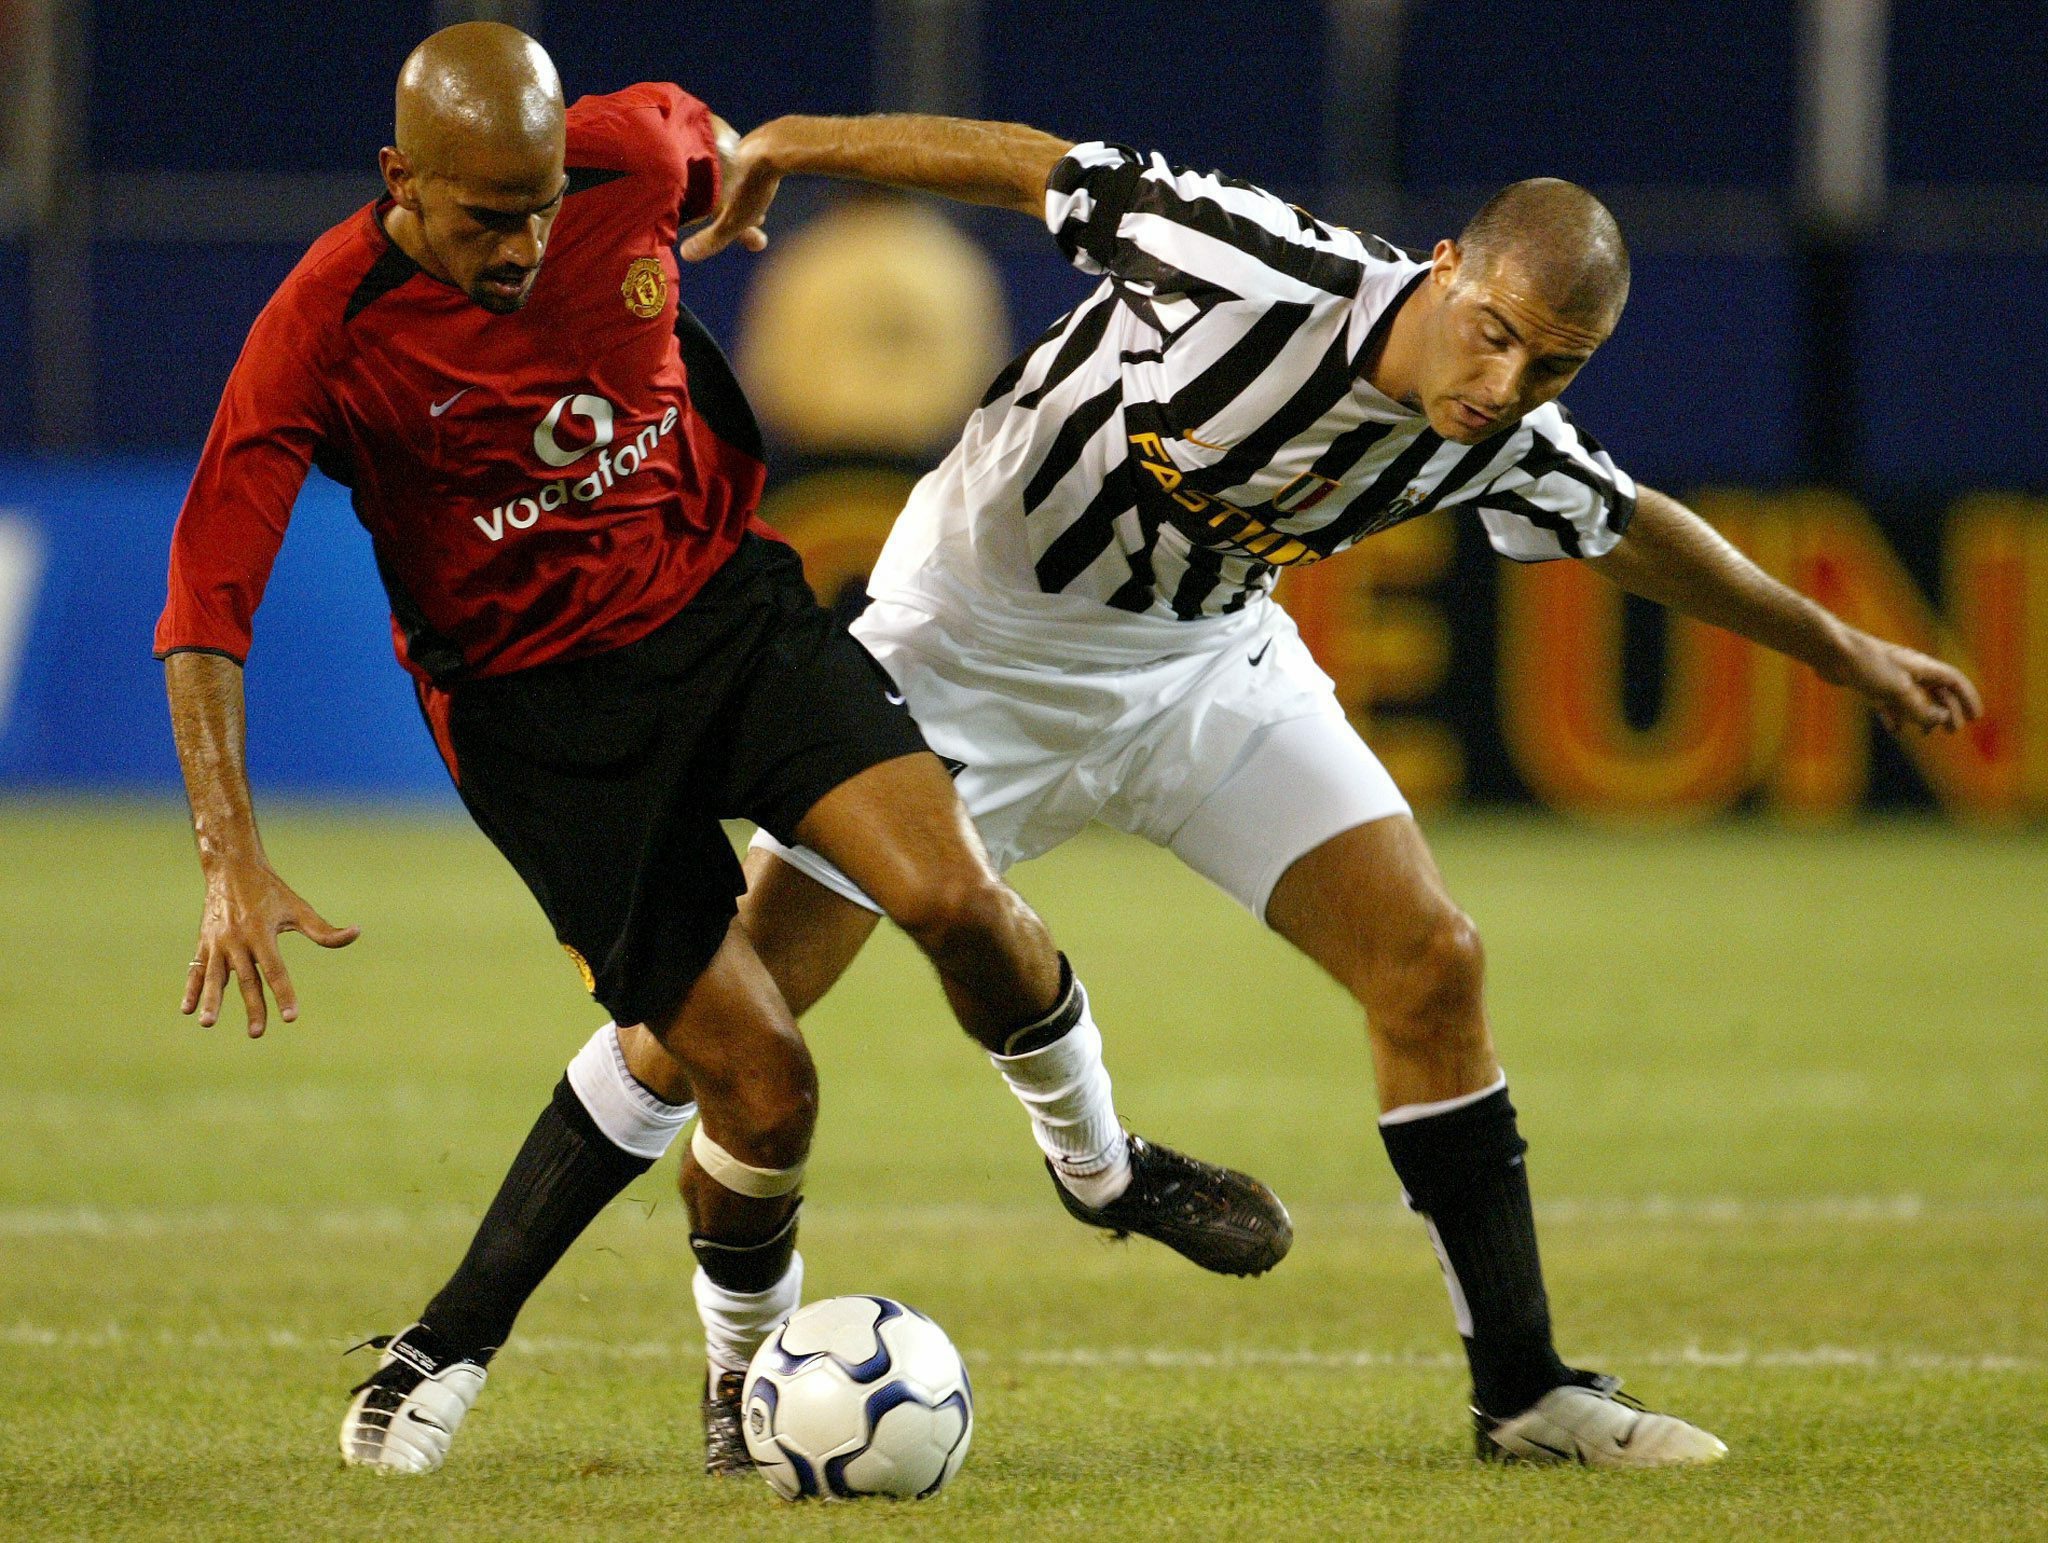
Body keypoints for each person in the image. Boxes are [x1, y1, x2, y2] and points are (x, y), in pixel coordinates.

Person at [666, 114, 1973, 1467]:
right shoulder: (1257, 268)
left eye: (1555, 365)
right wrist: (789, 144)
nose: (1508, 382)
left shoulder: (1500, 431)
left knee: (1431, 961)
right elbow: (1036, 164)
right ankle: (732, 1367)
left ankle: (1524, 1393)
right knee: (734, 1021)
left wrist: (1842, 645)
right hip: (972, 653)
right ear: (1448, 266)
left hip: (1200, 669)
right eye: (1497, 332)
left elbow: (1632, 523)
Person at [153, 25, 1290, 1480]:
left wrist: (744, 183)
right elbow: (206, 603)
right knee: (763, 1082)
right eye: (486, 216)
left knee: (952, 897)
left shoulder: (626, 154)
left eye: (543, 204)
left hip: (730, 620)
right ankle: (736, 1398)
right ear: (400, 177)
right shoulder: (322, 325)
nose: (522, 242)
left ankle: (1103, 1168)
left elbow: (712, 136)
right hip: (543, 723)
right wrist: (229, 852)